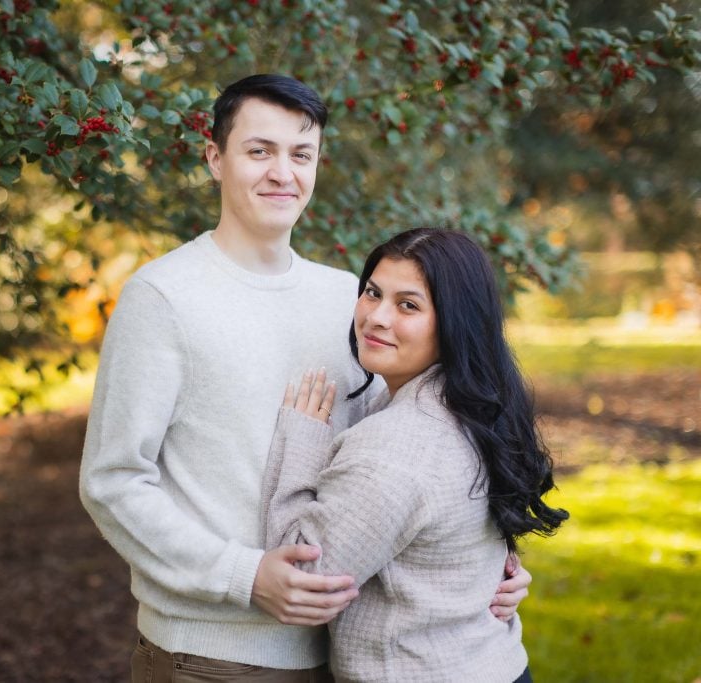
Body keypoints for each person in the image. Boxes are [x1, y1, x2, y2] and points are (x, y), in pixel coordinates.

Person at [79, 74, 532, 680]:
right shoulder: (163, 297)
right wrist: (243, 576)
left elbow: (406, 457)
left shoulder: (346, 296)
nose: (281, 172)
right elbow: (113, 481)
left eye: (301, 154)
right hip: (215, 655)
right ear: (216, 158)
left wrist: (476, 567)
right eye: (258, 151)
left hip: (345, 649)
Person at [263, 227, 569, 682]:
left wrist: (303, 438)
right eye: (372, 293)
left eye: (408, 305)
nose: (376, 317)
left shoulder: (398, 446)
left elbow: (305, 577)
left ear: (454, 323)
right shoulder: (476, 405)